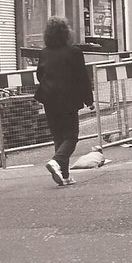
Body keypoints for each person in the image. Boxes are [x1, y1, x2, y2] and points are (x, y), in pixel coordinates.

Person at [34, 17, 93, 187]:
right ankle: (56, 161)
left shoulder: (43, 53)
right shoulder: (74, 52)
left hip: (49, 99)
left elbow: (39, 75)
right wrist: (89, 100)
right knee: (71, 137)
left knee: (58, 137)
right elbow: (82, 78)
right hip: (68, 99)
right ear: (66, 33)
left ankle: (65, 175)